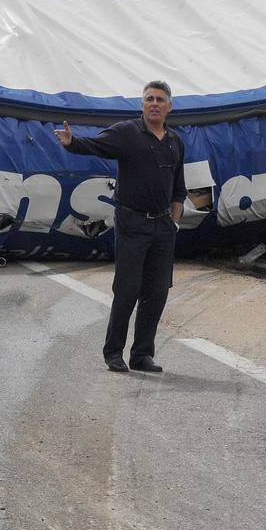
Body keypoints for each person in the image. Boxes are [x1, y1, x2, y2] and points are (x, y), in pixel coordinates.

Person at [55, 81, 186, 373]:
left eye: (160, 99)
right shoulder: (128, 132)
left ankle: (142, 355)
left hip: (163, 227)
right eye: (149, 99)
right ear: (142, 105)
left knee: (157, 292)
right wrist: (71, 142)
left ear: (169, 106)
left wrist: (174, 223)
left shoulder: (175, 142)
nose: (154, 103)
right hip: (132, 223)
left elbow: (179, 187)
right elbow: (94, 145)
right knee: (127, 290)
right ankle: (113, 352)